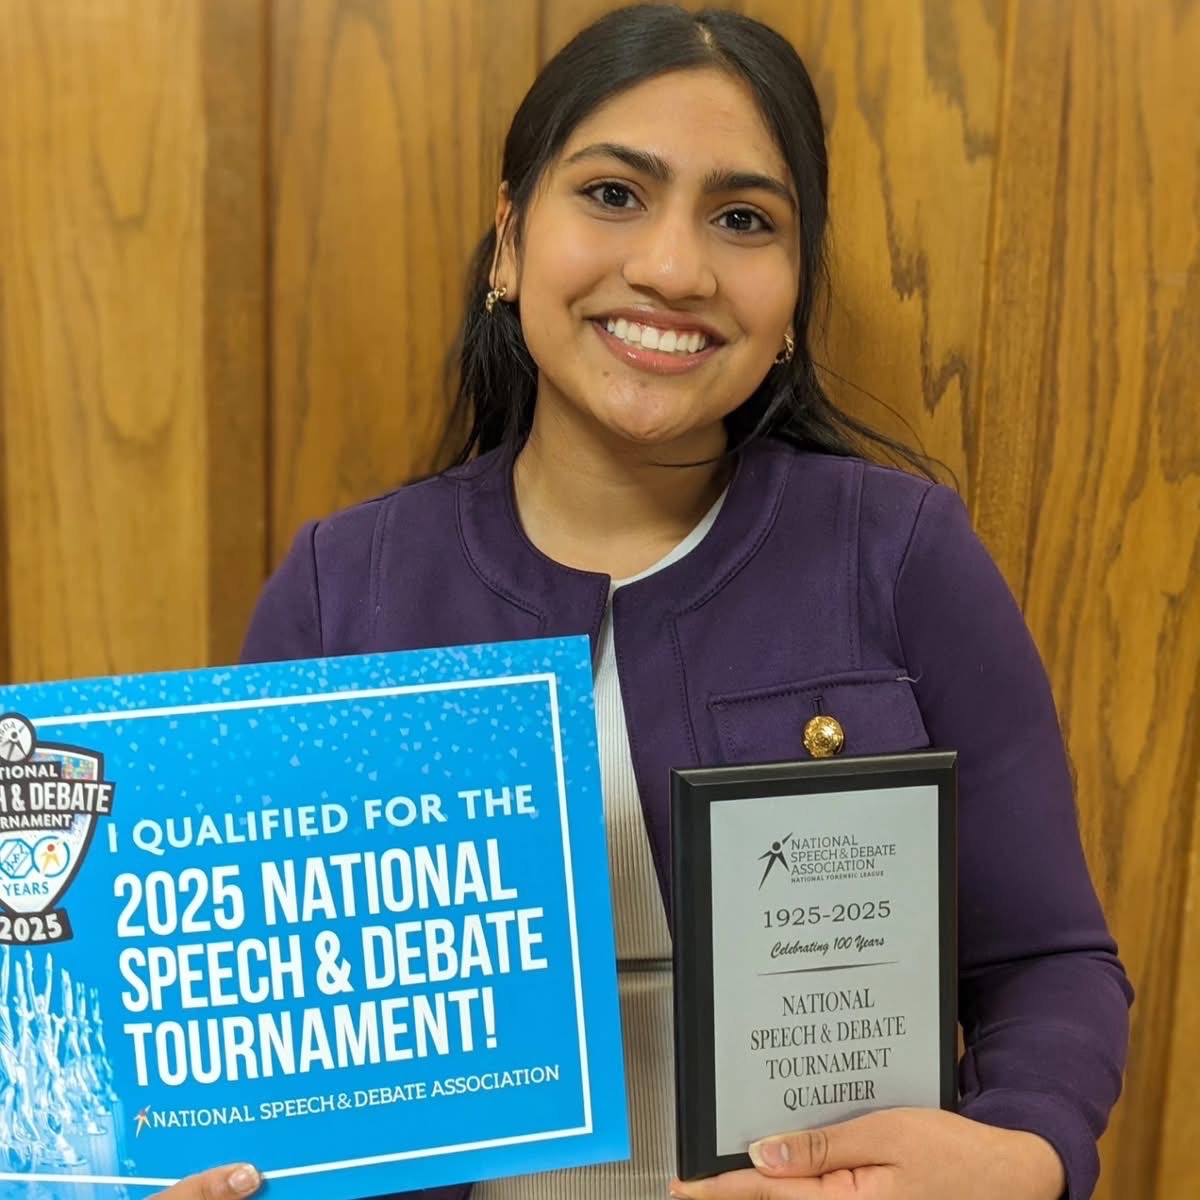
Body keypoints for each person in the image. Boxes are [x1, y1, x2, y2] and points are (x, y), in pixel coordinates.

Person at [151, 5, 1131, 1200]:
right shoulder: (337, 588)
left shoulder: (904, 554)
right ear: (509, 242)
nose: (673, 266)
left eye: (742, 218)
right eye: (614, 193)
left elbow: (1048, 958)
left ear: (792, 295)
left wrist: (1027, 1156)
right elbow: (242, 1026)